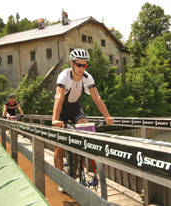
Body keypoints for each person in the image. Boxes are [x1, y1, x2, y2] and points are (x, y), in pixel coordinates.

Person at [52, 48, 114, 192]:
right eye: (78, 65)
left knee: (86, 129)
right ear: (72, 64)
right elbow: (59, 98)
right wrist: (55, 119)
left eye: (84, 65)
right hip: (61, 110)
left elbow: (96, 98)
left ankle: (83, 163)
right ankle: (60, 179)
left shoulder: (88, 77)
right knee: (59, 145)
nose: (81, 68)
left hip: (75, 110)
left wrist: (107, 116)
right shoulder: (64, 76)